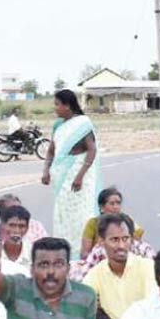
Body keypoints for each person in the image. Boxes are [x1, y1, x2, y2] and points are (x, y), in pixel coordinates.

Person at [83, 213, 157, 319]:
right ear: (101, 242)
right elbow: (82, 304)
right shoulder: (96, 273)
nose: (121, 245)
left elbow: (151, 310)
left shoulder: (147, 267)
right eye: (114, 240)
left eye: (125, 238)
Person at [41, 89, 100, 259]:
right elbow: (51, 151)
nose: (55, 108)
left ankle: (83, 253)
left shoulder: (83, 123)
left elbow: (91, 149)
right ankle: (64, 253)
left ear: (67, 106)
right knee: (62, 215)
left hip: (79, 177)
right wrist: (46, 170)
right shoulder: (58, 126)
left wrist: (80, 175)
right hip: (62, 179)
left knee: (81, 215)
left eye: (57, 104)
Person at [80, 187, 144, 260]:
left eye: (118, 203)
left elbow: (137, 245)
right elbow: (84, 253)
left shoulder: (127, 221)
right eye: (112, 204)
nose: (116, 207)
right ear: (102, 207)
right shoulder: (93, 223)